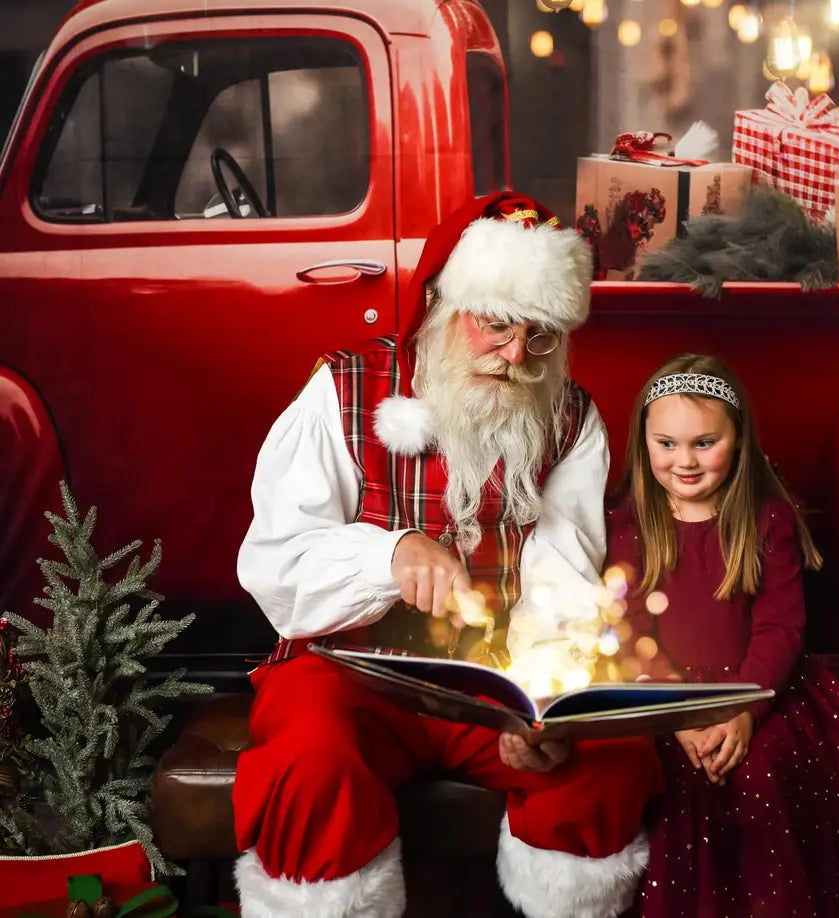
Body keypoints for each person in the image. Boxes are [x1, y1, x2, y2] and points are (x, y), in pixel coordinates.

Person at [232, 192, 662, 918]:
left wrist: (545, 704)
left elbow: (565, 572)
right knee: (310, 759)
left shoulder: (570, 419)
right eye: (496, 324)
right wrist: (390, 557)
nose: (517, 356)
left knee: (609, 763)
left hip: (490, 687)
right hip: (348, 673)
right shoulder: (341, 390)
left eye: (541, 335)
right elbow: (275, 561)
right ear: (441, 300)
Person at [605, 353, 839, 918]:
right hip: (663, 699)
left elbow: (780, 627)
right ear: (642, 442)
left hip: (756, 689)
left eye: (705, 442)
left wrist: (742, 710)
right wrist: (678, 719)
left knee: (765, 776)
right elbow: (629, 636)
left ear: (739, 440)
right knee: (668, 788)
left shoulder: (767, 520)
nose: (685, 461)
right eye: (666, 443)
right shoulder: (629, 525)